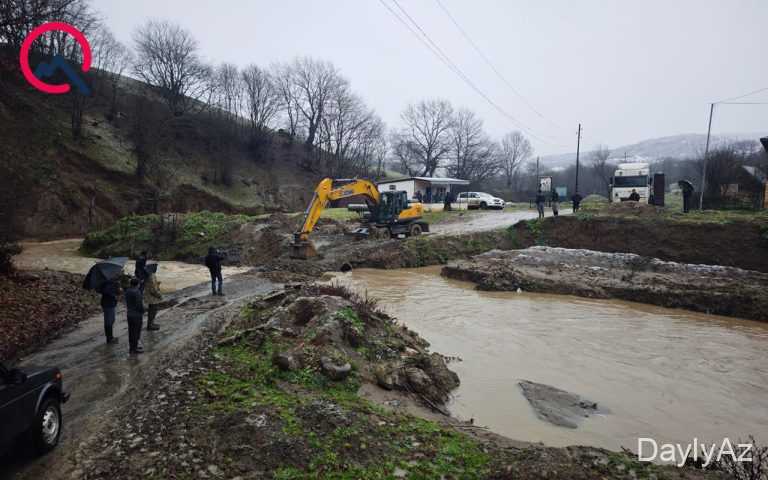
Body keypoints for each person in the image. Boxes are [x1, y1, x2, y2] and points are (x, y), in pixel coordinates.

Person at [125, 278, 145, 354]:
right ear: (137, 285)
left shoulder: (127, 291)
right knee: (136, 332)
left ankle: (131, 348)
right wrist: (143, 310)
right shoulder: (137, 292)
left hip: (129, 314)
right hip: (136, 315)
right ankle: (134, 348)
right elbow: (139, 304)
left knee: (131, 331)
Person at [99, 278, 120, 345]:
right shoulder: (107, 282)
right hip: (108, 303)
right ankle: (109, 339)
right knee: (109, 321)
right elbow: (108, 292)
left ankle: (110, 337)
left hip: (110, 303)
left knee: (111, 320)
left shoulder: (110, 281)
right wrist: (116, 288)